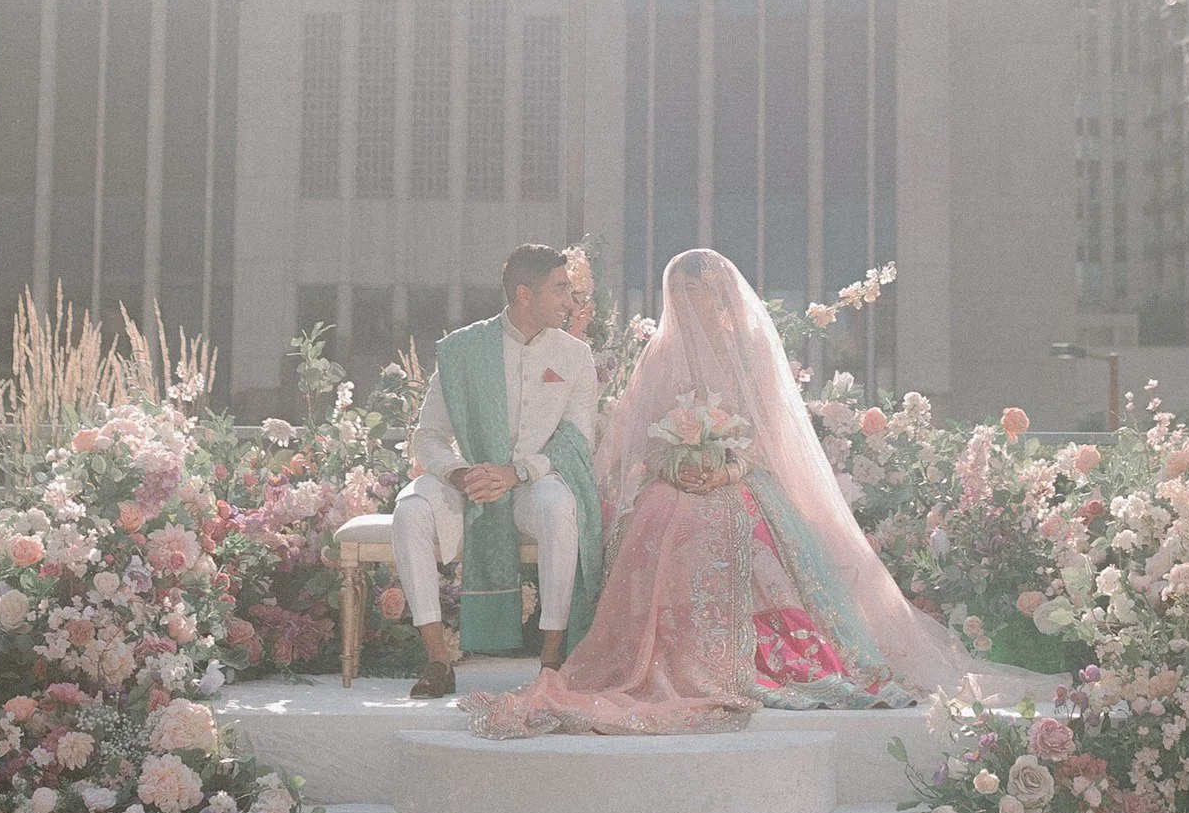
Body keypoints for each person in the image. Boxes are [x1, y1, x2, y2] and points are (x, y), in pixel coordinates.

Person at [467, 249, 1051, 737]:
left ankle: (754, 654)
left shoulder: (748, 350)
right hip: (672, 479)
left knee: (738, 522)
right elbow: (634, 437)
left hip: (741, 477)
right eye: (688, 292)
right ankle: (672, 654)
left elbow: (767, 434)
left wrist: (725, 467)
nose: (698, 301)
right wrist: (672, 464)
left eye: (705, 291)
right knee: (660, 514)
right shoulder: (661, 355)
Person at [392, 244, 601, 698]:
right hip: (469, 481)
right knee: (409, 510)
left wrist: (517, 473)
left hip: (532, 483)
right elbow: (428, 435)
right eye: (560, 289)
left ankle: (550, 661)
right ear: (524, 295)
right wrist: (460, 474)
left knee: (559, 506)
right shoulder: (464, 349)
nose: (570, 301)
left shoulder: (574, 356)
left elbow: (575, 440)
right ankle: (437, 660)